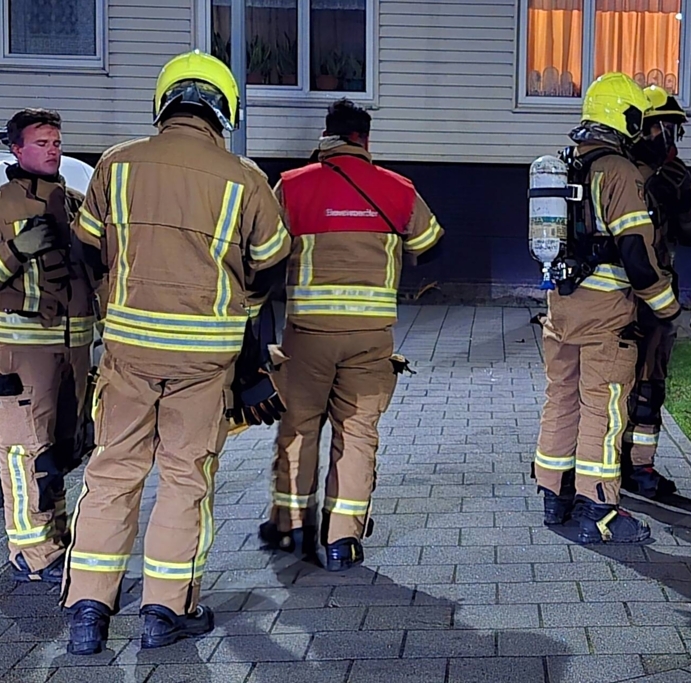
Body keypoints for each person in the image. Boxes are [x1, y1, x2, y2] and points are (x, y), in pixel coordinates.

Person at [60, 50, 289, 655]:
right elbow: (272, 266)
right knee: (186, 478)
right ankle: (166, 611)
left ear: (164, 103)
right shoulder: (247, 179)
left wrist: (118, 293)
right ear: (224, 109)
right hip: (204, 358)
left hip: (129, 347)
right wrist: (241, 316)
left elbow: (88, 250)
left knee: (112, 472)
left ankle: (89, 611)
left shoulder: (116, 164)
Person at [261, 98, 444, 571]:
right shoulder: (398, 188)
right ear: (365, 139)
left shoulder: (292, 186)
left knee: (299, 428)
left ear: (328, 134)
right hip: (371, 338)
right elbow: (430, 244)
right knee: (358, 433)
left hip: (307, 335)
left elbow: (264, 252)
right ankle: (343, 541)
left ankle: (289, 527)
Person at [0, 109, 94, 584]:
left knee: (61, 450)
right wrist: (15, 250)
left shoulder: (72, 203)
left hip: (73, 350)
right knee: (24, 450)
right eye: (42, 142)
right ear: (16, 148)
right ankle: (32, 554)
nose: (52, 149)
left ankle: (57, 540)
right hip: (23, 350)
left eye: (56, 141)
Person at [532, 73, 680, 545]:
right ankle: (601, 511)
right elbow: (636, 252)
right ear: (626, 115)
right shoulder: (618, 170)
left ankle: (554, 496)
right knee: (605, 406)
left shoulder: (566, 162)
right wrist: (665, 305)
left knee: (561, 399)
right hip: (605, 314)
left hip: (561, 304)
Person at [621, 85, 691, 500]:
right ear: (644, 127)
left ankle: (633, 466)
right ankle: (626, 467)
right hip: (633, 298)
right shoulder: (625, 173)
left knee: (641, 384)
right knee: (631, 383)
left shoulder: (666, 174)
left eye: (674, 130)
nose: (669, 139)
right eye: (663, 128)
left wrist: (684, 195)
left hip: (640, 298)